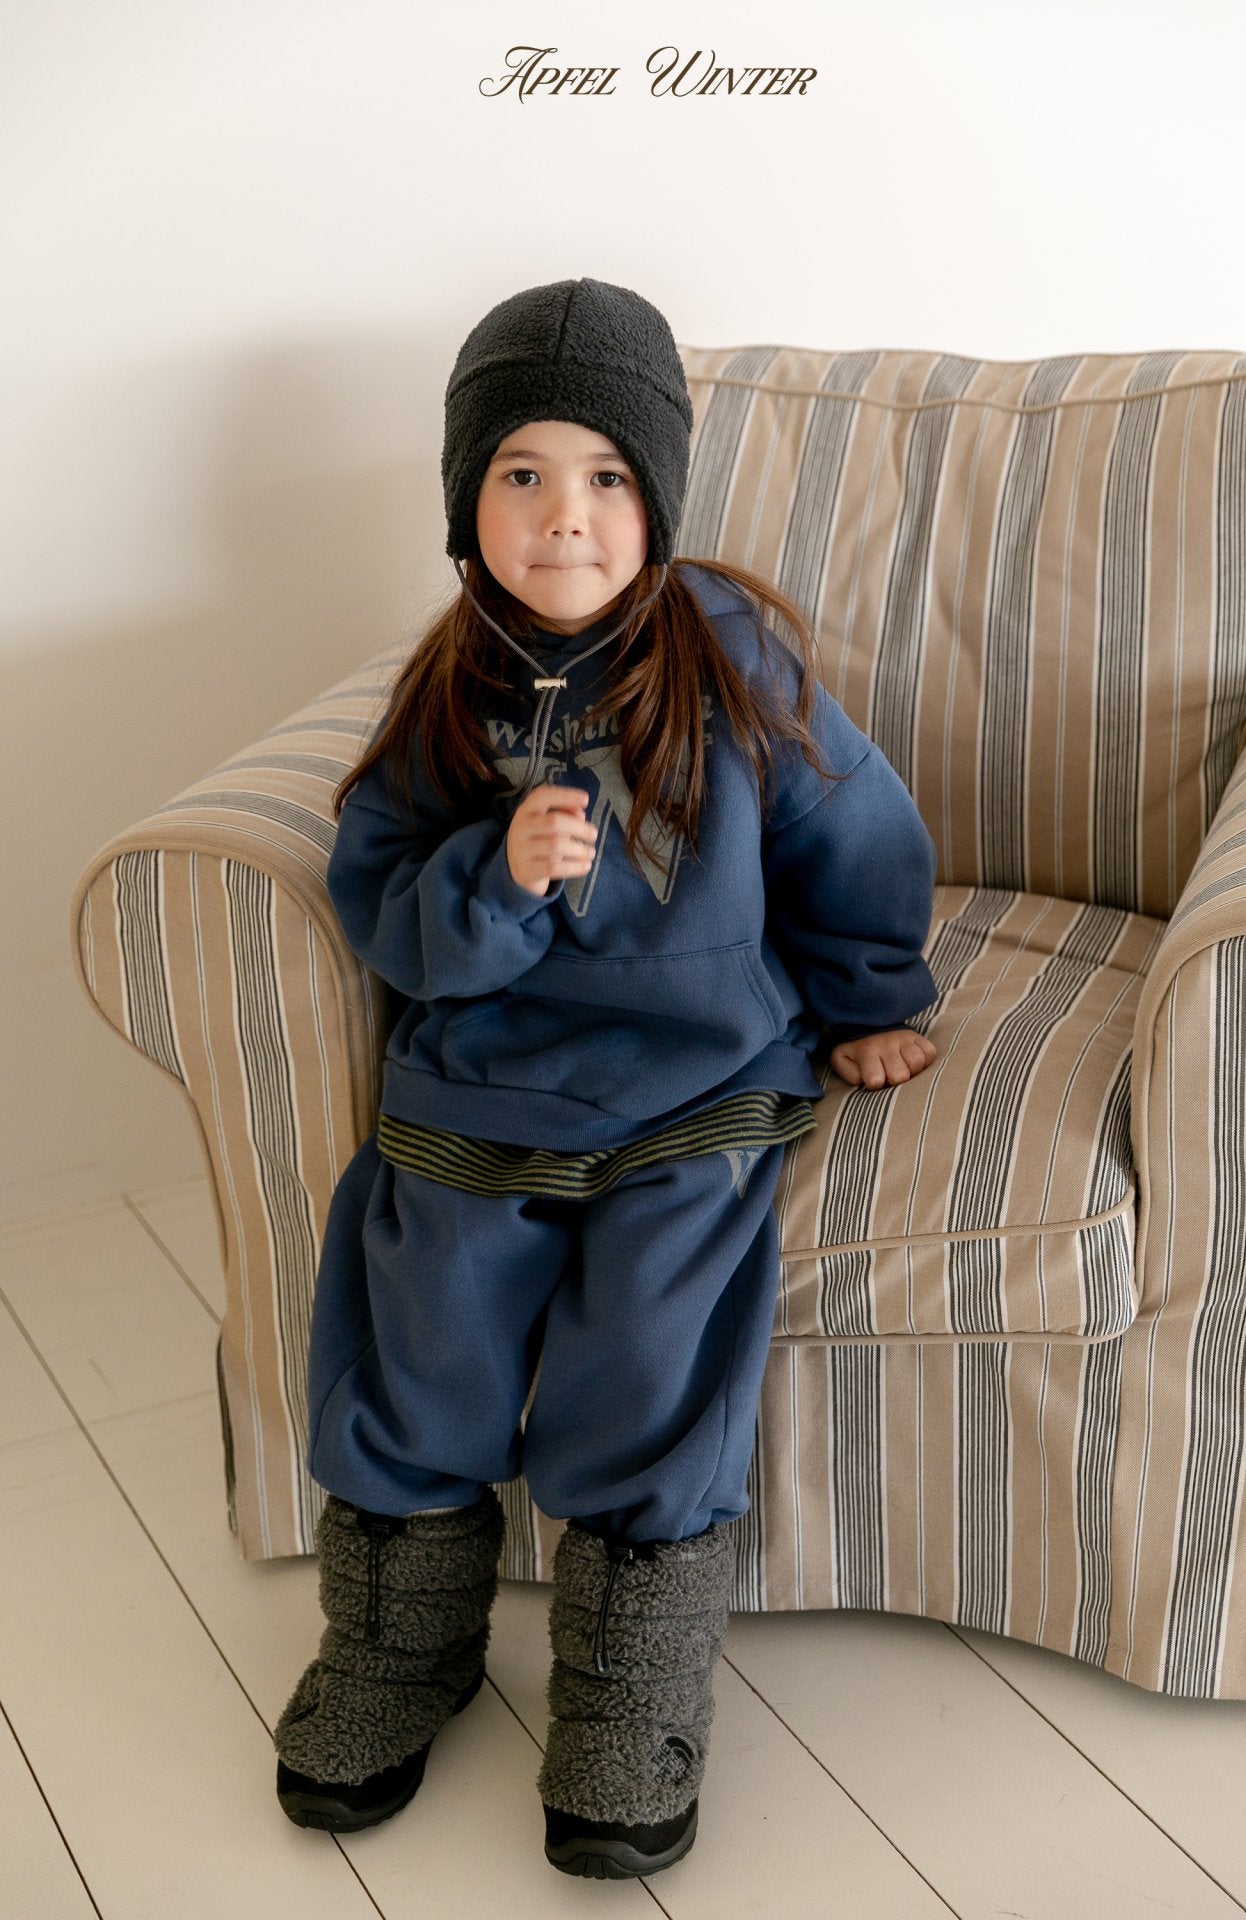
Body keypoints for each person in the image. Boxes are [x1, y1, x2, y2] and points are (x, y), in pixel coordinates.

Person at [272, 276, 940, 1880]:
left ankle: (629, 1689)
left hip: (692, 1086)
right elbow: (380, 903)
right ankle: (400, 1640)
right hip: (481, 1084)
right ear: (466, 502)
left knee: (654, 1337)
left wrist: (870, 997)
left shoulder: (730, 658)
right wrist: (491, 880)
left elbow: (854, 829)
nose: (563, 515)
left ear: (658, 500)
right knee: (424, 1318)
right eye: (521, 473)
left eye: (605, 476)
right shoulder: (445, 687)